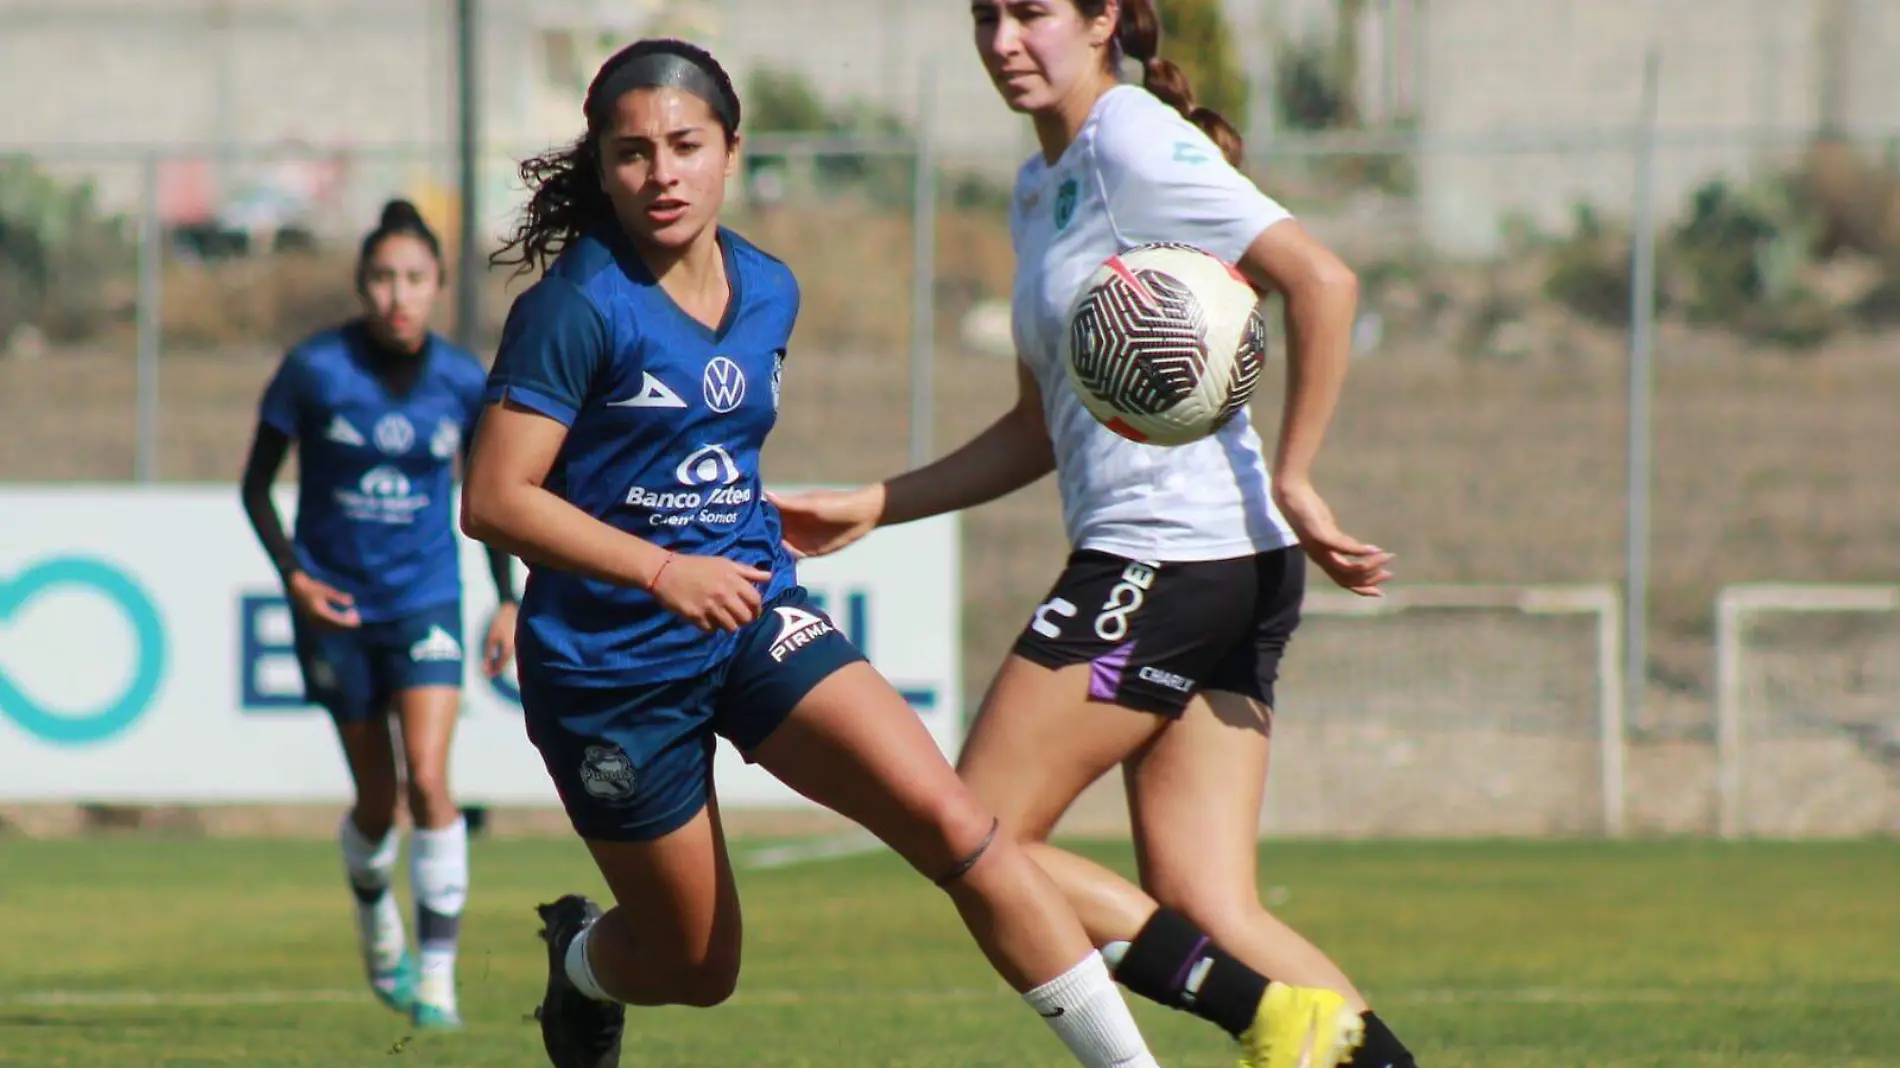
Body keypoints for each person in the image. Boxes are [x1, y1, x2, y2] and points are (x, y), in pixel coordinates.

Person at [460, 37, 1167, 1068]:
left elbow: (700, 443)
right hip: (611, 671)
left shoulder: (767, 291)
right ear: (601, 164)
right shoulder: (574, 309)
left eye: (685, 146)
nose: (661, 175)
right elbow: (492, 499)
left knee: (957, 826)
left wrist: (745, 534)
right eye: (631, 153)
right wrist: (662, 569)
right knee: (698, 968)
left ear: (732, 150)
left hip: (752, 618)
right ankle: (578, 962)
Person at [771, 3, 1423, 1067]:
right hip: (1216, 563)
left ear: (1102, 18)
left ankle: (1262, 1019)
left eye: (1031, 13)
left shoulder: (1128, 139)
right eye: (985, 16)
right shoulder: (1043, 185)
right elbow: (1036, 430)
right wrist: (877, 503)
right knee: (1207, 901)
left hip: (1169, 554)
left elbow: (1323, 281)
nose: (1003, 42)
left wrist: (1299, 477)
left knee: (974, 829)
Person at [239, 199, 516, 1031]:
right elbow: (256, 486)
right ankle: (374, 912)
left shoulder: (465, 380)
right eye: (384, 278)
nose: (399, 294)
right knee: (377, 799)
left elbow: (489, 497)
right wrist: (292, 575)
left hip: (426, 599)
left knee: (430, 780)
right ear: (363, 285)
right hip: (336, 607)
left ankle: (437, 978)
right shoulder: (315, 369)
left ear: (437, 287)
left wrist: (505, 597)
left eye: (415, 278)